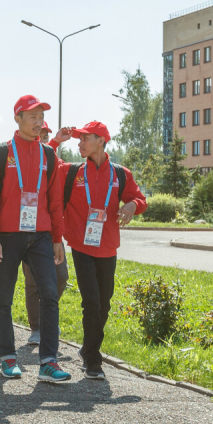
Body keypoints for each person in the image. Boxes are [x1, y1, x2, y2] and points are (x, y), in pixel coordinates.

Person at [0, 95, 69, 383]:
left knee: (50, 294)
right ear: (18, 118)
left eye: (41, 115)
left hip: (41, 235)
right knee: (4, 297)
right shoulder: (1, 153)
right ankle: (7, 357)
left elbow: (55, 200)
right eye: (32, 115)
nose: (38, 120)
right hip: (7, 236)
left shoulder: (49, 155)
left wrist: (57, 237)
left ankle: (48, 362)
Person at [55, 121, 146, 380]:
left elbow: (140, 199)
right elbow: (45, 163)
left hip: (107, 247)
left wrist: (131, 205)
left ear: (101, 141)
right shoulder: (72, 171)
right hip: (81, 246)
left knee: (103, 305)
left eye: (86, 139)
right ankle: (93, 360)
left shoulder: (120, 174)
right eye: (79, 139)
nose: (80, 143)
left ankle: (88, 348)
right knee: (91, 302)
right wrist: (57, 141)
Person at [22, 120, 74, 345]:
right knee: (33, 281)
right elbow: (35, 159)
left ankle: (47, 315)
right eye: (40, 136)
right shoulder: (20, 159)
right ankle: (36, 327)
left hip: (50, 230)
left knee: (61, 276)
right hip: (24, 228)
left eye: (45, 137)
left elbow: (50, 162)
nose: (41, 140)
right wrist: (55, 142)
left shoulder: (55, 162)